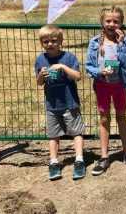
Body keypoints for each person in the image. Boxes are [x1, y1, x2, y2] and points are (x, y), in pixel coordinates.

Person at [86, 6, 126, 176]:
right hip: (102, 85)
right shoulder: (95, 42)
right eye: (108, 21)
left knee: (121, 117)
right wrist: (99, 72)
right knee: (104, 118)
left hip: (120, 85)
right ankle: (104, 157)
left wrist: (121, 44)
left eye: (116, 21)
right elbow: (89, 66)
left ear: (121, 23)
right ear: (102, 22)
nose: (112, 24)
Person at [35, 24, 85, 181]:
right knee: (53, 135)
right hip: (52, 105)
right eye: (46, 41)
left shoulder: (69, 57)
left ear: (61, 41)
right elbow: (39, 83)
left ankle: (79, 160)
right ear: (41, 43)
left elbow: (77, 76)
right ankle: (54, 162)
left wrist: (63, 67)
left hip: (70, 103)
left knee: (76, 132)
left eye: (54, 41)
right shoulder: (40, 59)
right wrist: (41, 75)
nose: (50, 44)